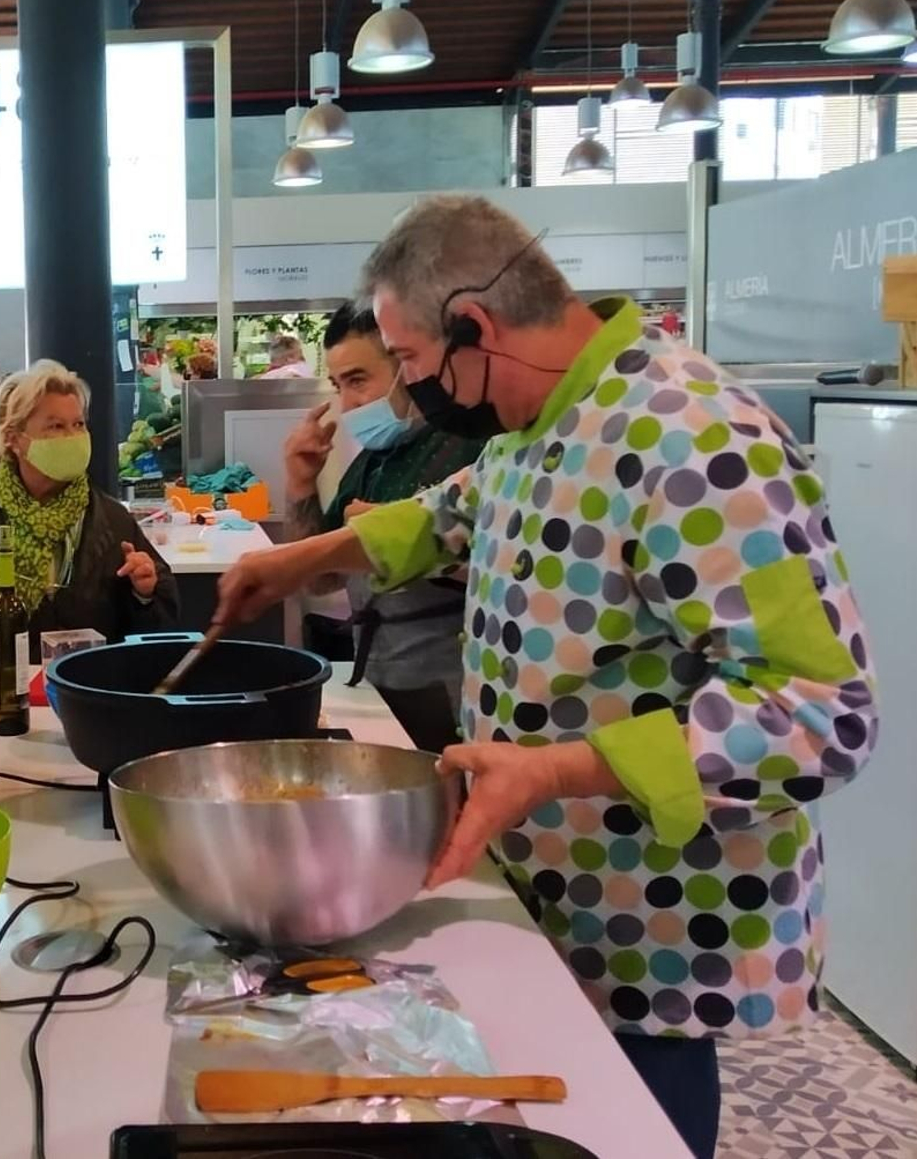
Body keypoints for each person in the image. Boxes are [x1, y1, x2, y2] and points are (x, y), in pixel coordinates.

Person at [213, 196, 877, 1159]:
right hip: (555, 886)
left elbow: (824, 713)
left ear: (474, 326)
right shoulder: (541, 418)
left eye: (405, 361)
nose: (405, 388)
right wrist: (298, 557)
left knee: (630, 1119)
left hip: (654, 910)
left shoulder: (692, 436)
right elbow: (450, 511)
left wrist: (555, 770)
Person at [285, 304, 484, 751]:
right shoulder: (372, 462)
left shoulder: (475, 450)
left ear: (409, 364)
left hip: (457, 698)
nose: (349, 403)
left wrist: (395, 534)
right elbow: (320, 578)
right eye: (338, 386)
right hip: (378, 687)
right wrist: (301, 483)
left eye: (358, 380)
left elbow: (513, 570)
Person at [0, 359, 179, 665]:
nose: (72, 437)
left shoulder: (113, 519)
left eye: (78, 424)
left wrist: (146, 592)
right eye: (55, 426)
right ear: (13, 438)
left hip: (82, 692)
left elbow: (155, 635)